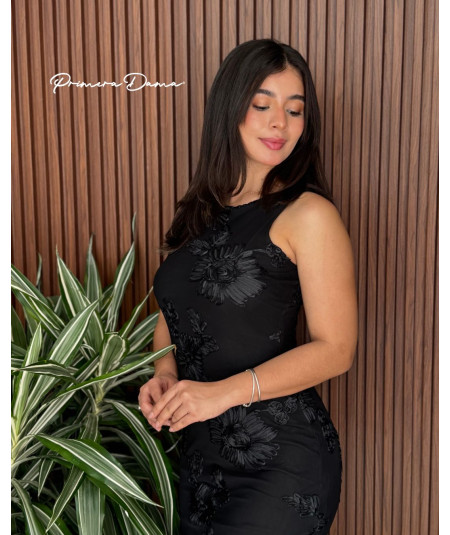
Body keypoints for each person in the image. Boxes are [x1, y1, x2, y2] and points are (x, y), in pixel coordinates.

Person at [138, 38, 357, 535]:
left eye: (295, 110)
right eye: (263, 105)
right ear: (230, 108)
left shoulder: (309, 215)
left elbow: (337, 350)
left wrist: (220, 395)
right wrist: (164, 373)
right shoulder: (198, 213)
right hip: (198, 461)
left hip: (280, 464)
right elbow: (171, 312)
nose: (280, 122)